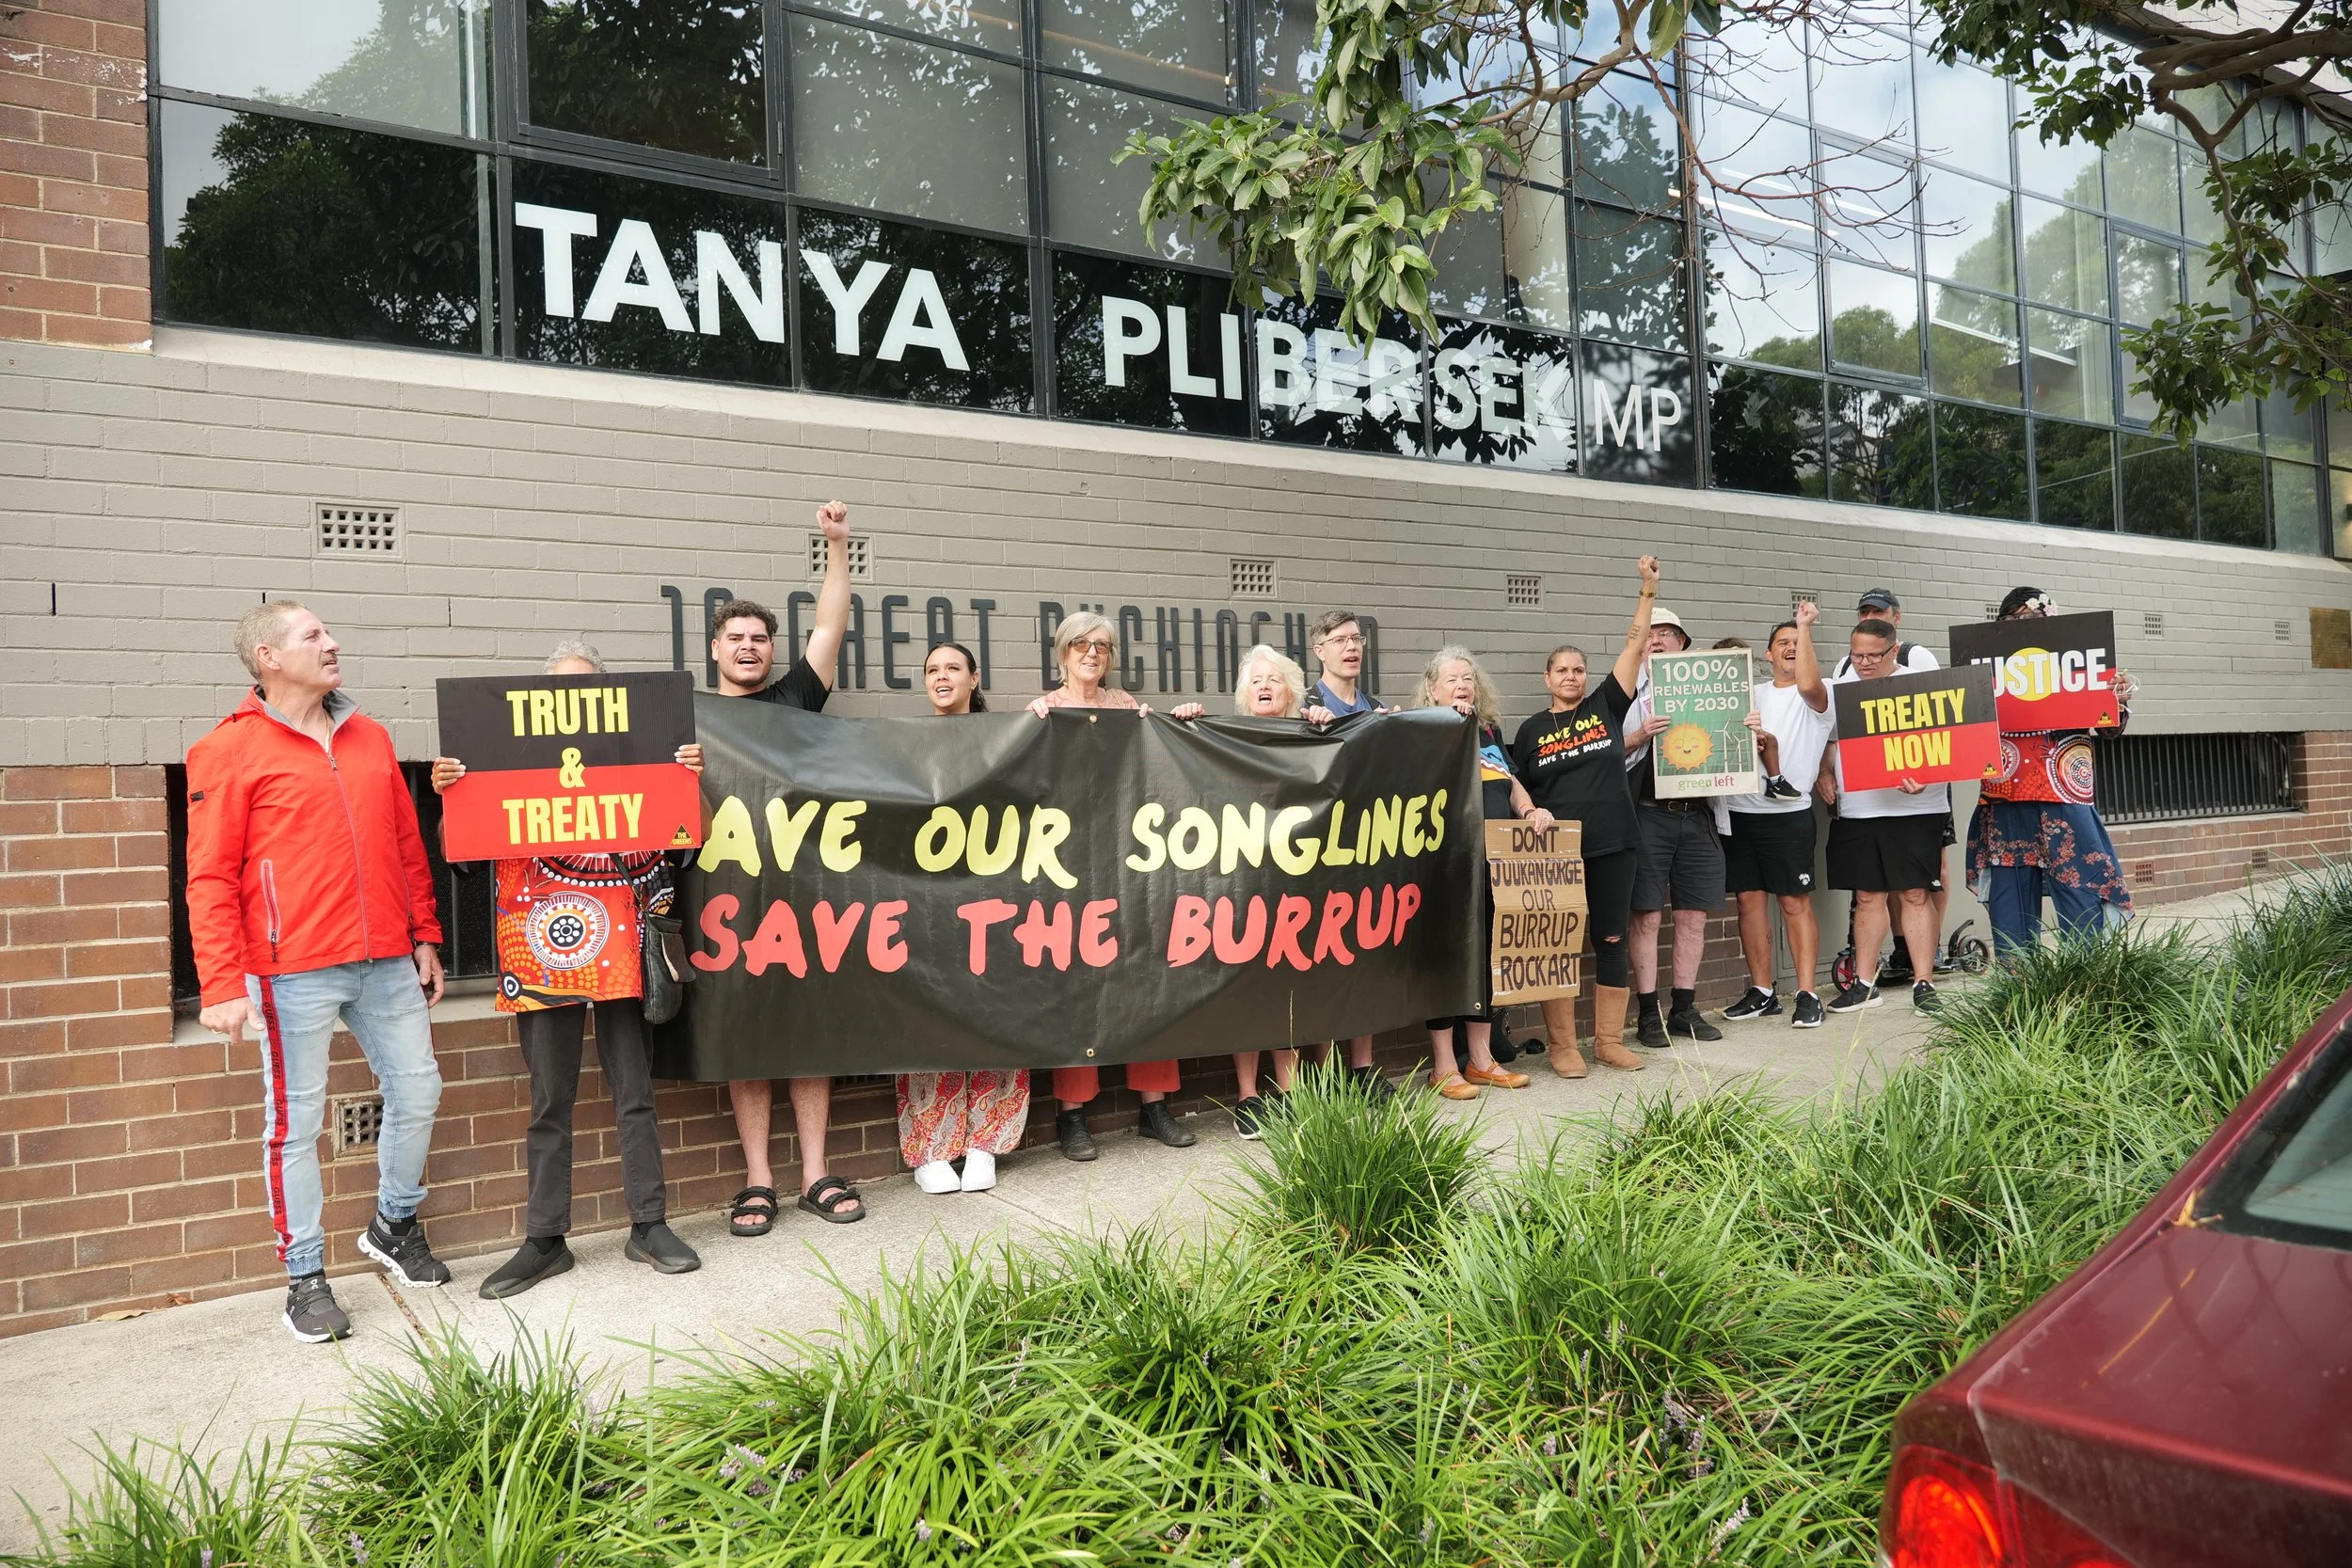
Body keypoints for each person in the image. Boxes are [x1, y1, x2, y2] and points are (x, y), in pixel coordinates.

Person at [186, 601, 450, 1344]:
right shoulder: (228, 751)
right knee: (295, 1125)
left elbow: (406, 842)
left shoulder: (371, 737)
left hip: (385, 958)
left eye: (329, 632)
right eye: (313, 636)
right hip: (288, 967)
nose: (332, 643)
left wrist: (424, 932)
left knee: (420, 1088)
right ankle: (305, 1277)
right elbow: (207, 877)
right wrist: (221, 982)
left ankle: (394, 1223)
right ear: (268, 656)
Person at [430, 642, 705, 1296]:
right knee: (549, 1098)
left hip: (622, 946)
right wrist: (455, 796)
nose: (571, 704)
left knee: (633, 1088)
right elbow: (461, 853)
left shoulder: (639, 761)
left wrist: (686, 780)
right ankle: (545, 1237)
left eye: (585, 690)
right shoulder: (503, 762)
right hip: (538, 946)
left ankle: (649, 1223)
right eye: (558, 690)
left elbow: (684, 844)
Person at [713, 499, 866, 1234]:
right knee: (746, 1034)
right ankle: (758, 1179)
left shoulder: (795, 696)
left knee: (805, 1031)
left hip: (805, 895)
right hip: (725, 901)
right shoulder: (686, 719)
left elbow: (830, 624)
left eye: (759, 638)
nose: (748, 647)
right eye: (736, 638)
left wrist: (835, 546)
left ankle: (814, 1173)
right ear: (715, 649)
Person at [1027, 611, 1196, 1157]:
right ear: (1062, 653)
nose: (1092, 653)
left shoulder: (1129, 709)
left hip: (1132, 864)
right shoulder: (1044, 710)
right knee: (1077, 983)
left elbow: (1162, 767)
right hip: (1070, 866)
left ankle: (1154, 1105)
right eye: (1080, 644)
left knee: (1148, 971)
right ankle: (1072, 1114)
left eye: (1101, 645)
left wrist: (1174, 723)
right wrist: (1027, 729)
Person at [1172, 646, 1336, 1133]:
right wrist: (1185, 722)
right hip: (1240, 881)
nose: (1265, 686)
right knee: (1246, 986)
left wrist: (1331, 725)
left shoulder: (1312, 732)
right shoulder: (1224, 735)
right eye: (1256, 680)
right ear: (1245, 692)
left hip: (1297, 880)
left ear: (1292, 689)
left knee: (1286, 985)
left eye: (1275, 679)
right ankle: (1248, 1097)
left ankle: (1290, 1092)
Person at [1512, 556, 1662, 1076]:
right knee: (1558, 943)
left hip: (1615, 843)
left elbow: (1634, 645)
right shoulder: (1530, 731)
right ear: (1547, 677)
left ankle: (1607, 1041)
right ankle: (1562, 1046)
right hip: (1555, 852)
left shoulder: (1605, 707)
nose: (1572, 676)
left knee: (1612, 938)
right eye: (1562, 670)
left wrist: (1646, 592)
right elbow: (1518, 792)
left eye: (1578, 669)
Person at [899, 642, 1033, 1192]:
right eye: (932, 670)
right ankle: (930, 1148)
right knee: (931, 1015)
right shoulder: (905, 743)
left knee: (997, 1011)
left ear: (974, 678)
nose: (942, 676)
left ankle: (985, 1144)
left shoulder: (1006, 739)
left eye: (953, 668)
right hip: (929, 905)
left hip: (996, 898)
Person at [1966, 588, 2137, 955]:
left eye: (2032, 619)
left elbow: (2109, 728)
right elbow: (1964, 730)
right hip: (2005, 793)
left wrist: (2115, 700)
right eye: (2013, 620)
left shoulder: (2077, 659)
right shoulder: (1983, 666)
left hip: (2063, 792)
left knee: (2081, 890)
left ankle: (2088, 981)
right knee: (2010, 898)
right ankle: (2017, 991)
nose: (2023, 627)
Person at [1415, 647, 1548, 1095]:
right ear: (1432, 689)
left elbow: (1508, 780)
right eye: (1452, 679)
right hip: (1447, 865)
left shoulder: (1487, 729)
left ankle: (1482, 1059)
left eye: (1468, 678)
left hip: (1496, 863)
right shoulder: (1423, 732)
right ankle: (1443, 1066)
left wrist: (1530, 809)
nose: (1462, 685)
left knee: (1488, 959)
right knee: (1448, 961)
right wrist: (1447, 723)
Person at [1717, 603, 1835, 1029]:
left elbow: (1807, 683)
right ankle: (1763, 991)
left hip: (1787, 813)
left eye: (1796, 643)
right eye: (1781, 643)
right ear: (1767, 655)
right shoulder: (1750, 693)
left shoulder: (1819, 693)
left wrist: (1804, 627)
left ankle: (1806, 992)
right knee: (1749, 902)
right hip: (1740, 811)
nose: (1789, 648)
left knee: (1792, 902)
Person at [1821, 619, 1948, 1014]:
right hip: (1859, 808)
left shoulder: (1922, 686)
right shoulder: (1842, 685)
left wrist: (1927, 779)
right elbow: (1828, 739)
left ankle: (1923, 982)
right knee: (1867, 895)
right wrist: (1826, 772)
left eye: (1871, 656)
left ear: (1893, 650)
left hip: (1916, 808)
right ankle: (1863, 984)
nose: (1862, 663)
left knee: (1914, 893)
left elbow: (1951, 745)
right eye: (1855, 654)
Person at [1620, 606, 1727, 1047]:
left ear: (1683, 644)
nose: (1658, 641)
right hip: (1648, 813)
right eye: (1650, 634)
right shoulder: (1624, 692)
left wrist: (1749, 730)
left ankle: (1683, 1009)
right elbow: (1609, 752)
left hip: (1698, 816)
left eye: (1667, 634)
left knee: (1693, 917)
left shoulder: (1716, 690)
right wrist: (1640, 734)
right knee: (1645, 916)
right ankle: (1649, 1015)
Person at [1303, 610, 1393, 1095]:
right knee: (1322, 961)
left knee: (1366, 960)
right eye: (1340, 640)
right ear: (1319, 650)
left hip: (1371, 850)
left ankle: (1363, 1068)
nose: (1352, 647)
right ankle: (1327, 1073)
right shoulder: (1304, 706)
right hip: (1319, 855)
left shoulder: (1378, 708)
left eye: (1357, 639)